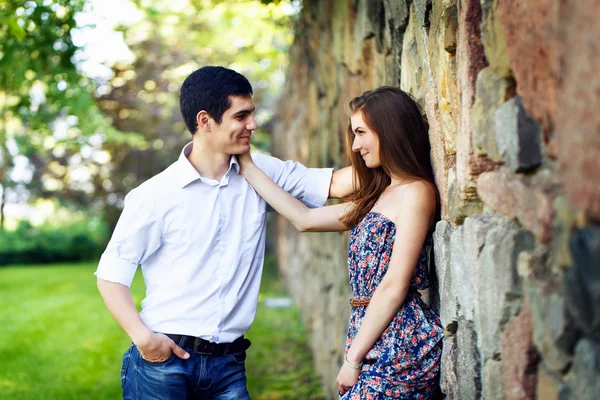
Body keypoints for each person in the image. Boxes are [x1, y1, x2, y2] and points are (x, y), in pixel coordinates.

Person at [95, 66, 353, 400]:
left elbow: (336, 184)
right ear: (205, 121)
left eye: (252, 114)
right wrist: (144, 339)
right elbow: (111, 276)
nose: (253, 125)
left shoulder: (262, 171)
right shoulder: (155, 195)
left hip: (229, 364)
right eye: (241, 116)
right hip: (164, 364)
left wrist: (398, 164)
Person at [238, 86, 444, 399]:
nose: (356, 144)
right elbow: (305, 219)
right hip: (372, 332)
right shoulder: (379, 194)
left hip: (401, 340)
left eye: (361, 132)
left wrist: (352, 359)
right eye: (353, 133)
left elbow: (393, 286)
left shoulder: (416, 192)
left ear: (389, 131)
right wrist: (248, 167)